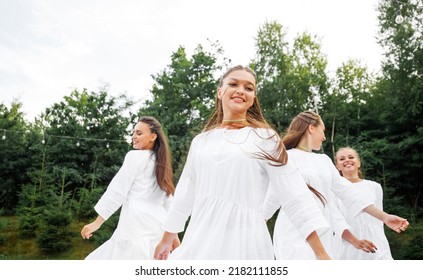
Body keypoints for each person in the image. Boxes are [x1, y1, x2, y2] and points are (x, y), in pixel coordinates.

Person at [154, 65, 331, 260]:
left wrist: (320, 253)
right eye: (233, 84)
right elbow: (185, 193)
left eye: (249, 88)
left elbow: (293, 194)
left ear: (253, 98)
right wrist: (167, 237)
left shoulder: (266, 138)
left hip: (246, 243)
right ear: (220, 92)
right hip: (201, 238)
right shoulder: (201, 142)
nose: (241, 90)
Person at [263, 111, 408, 259]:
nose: (324, 137)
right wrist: (256, 225)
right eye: (323, 130)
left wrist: (384, 217)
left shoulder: (324, 160)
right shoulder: (286, 158)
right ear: (311, 128)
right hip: (294, 234)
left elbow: (348, 193)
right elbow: (272, 198)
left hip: (325, 235)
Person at [81, 116, 179, 259]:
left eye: (139, 133)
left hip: (135, 224)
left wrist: (97, 223)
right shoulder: (162, 164)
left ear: (153, 137)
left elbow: (117, 191)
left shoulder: (135, 157)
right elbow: (169, 204)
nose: (134, 136)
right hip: (158, 227)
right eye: (133, 133)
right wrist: (173, 237)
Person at [334, 147, 394, 260]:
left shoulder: (374, 187)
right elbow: (335, 221)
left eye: (351, 157)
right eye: (342, 159)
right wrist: (353, 241)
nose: (347, 160)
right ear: (337, 166)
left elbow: (378, 220)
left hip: (376, 243)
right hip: (348, 244)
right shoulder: (333, 190)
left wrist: (380, 241)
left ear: (358, 163)